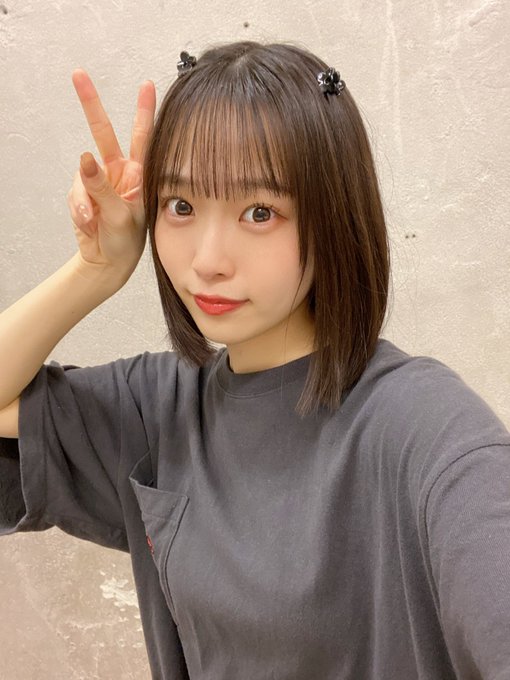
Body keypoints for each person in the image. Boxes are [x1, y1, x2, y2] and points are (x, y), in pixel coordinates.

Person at [0, 40, 509, 680]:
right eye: (181, 207)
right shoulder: (157, 409)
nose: (208, 259)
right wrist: (95, 271)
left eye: (259, 212)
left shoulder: (424, 429)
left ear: (333, 216)